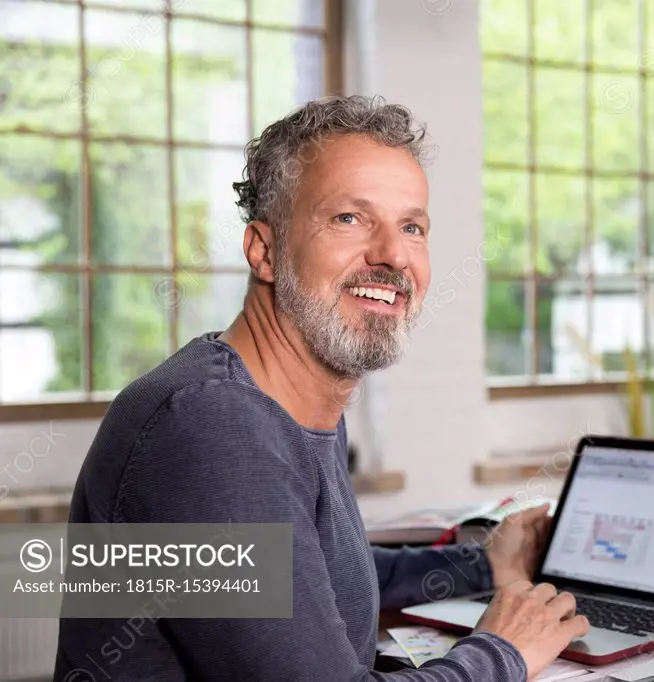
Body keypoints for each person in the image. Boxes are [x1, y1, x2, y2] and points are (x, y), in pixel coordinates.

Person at [53, 95, 588, 681]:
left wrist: (485, 564)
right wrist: (502, 653)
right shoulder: (210, 423)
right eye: (349, 218)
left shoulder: (287, 400)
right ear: (265, 251)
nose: (391, 255)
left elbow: (322, 574)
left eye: (412, 226)